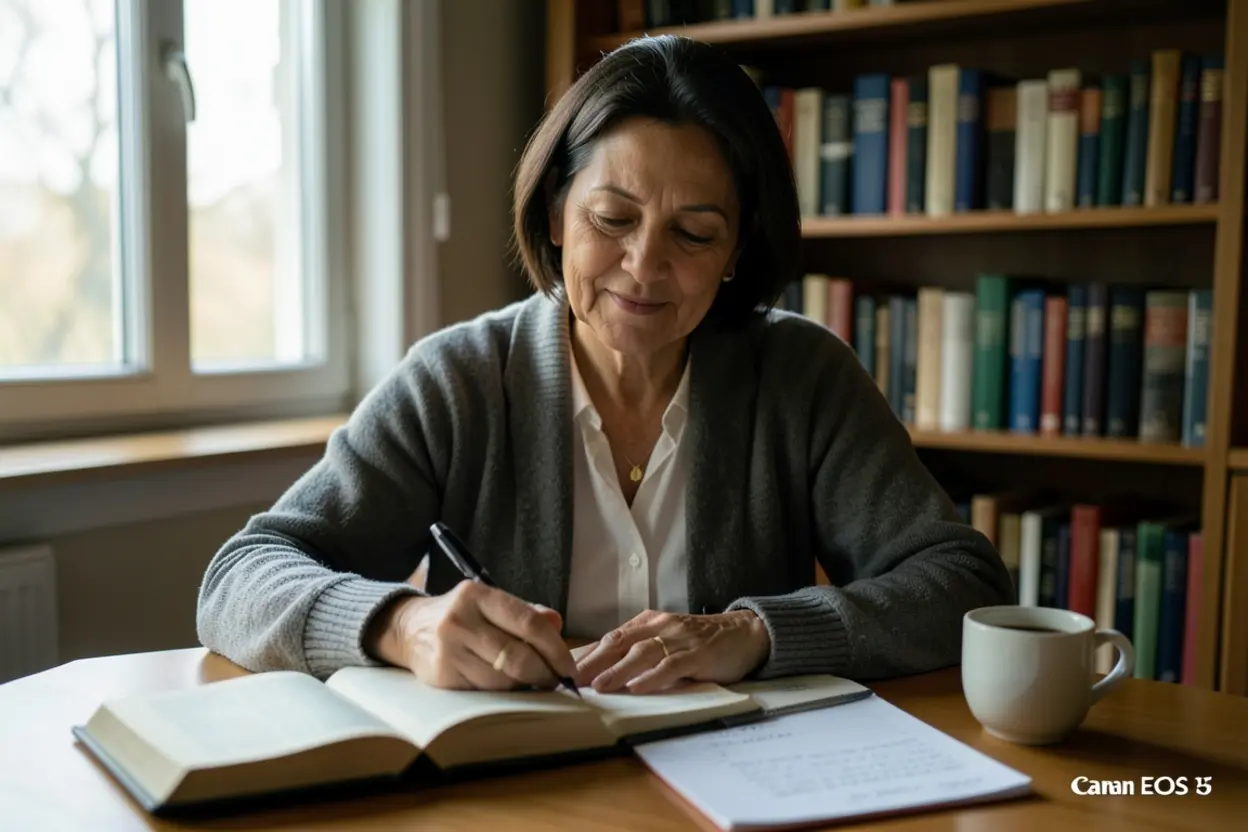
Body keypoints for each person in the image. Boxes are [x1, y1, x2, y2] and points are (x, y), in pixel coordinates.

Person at [196, 34, 1013, 696]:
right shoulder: (459, 380)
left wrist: (752, 632)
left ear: (736, 251)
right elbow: (239, 578)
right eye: (612, 218)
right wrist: (400, 624)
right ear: (556, 213)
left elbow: (965, 583)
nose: (644, 266)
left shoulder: (801, 376)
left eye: (694, 234)